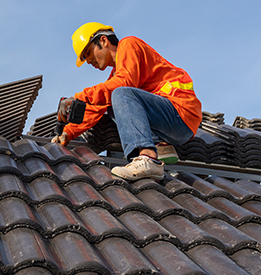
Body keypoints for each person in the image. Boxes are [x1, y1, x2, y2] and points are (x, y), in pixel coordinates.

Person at [53, 22, 201, 181]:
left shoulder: (129, 45)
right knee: (113, 100)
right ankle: (162, 147)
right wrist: (68, 132)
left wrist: (80, 97)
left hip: (180, 112)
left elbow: (124, 83)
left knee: (120, 94)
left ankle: (148, 158)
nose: (88, 61)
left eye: (88, 53)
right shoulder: (117, 74)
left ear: (103, 41)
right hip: (173, 123)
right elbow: (97, 107)